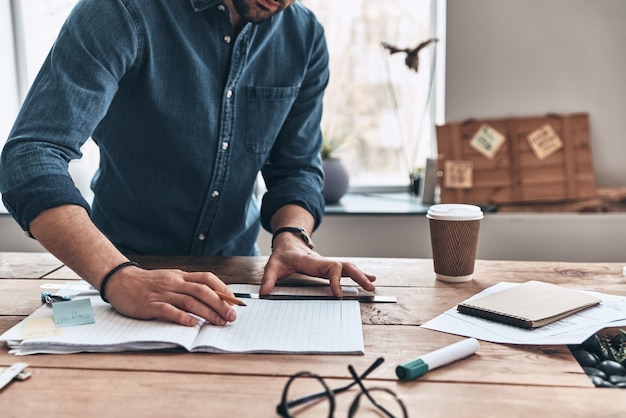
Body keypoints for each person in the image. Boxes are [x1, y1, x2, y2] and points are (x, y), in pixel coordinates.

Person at [0, 0, 376, 327]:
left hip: (236, 282)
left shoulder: (304, 36)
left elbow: (295, 168)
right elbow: (32, 154)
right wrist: (118, 276)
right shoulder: (120, 10)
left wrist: (293, 238)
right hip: (117, 275)